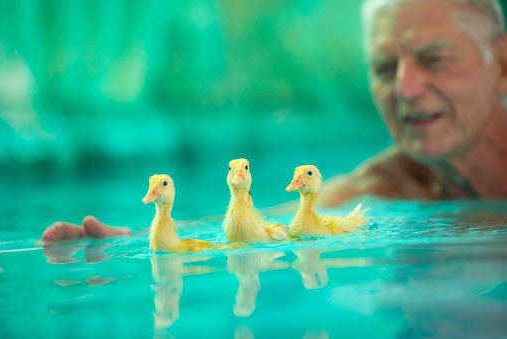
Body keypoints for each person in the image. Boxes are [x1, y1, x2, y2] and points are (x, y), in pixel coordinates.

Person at [42, 0, 507, 241]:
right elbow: (263, 224)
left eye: (434, 59)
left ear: (502, 64)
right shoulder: (383, 187)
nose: (404, 90)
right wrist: (137, 239)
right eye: (384, 69)